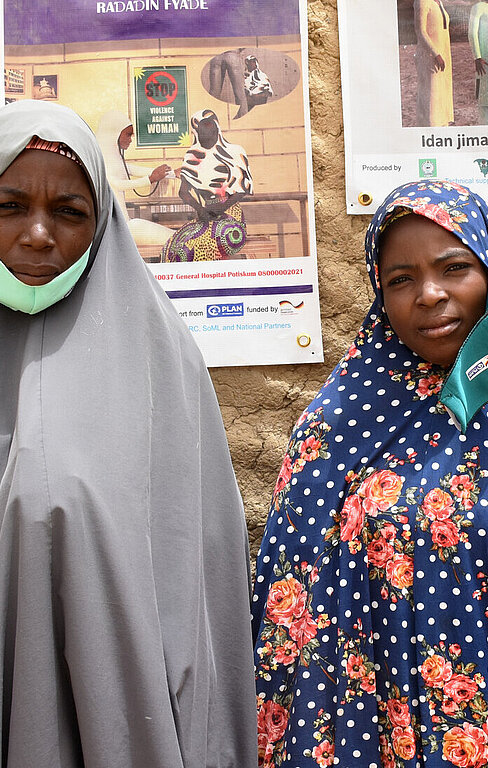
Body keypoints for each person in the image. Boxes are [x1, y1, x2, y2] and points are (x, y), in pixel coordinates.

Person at [252, 180, 488, 767]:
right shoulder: (337, 427)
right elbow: (291, 612)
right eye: (400, 280)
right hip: (373, 739)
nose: (429, 295)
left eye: (454, 268)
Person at [0, 99, 259, 766]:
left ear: (104, 224)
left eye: (69, 212)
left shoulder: (159, 364)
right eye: (8, 206)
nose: (36, 234)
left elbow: (198, 578)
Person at [160, 109, 253, 262]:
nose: (209, 134)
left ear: (217, 128)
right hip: (205, 216)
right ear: (196, 132)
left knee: (195, 245)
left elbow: (242, 189)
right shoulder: (192, 155)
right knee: (174, 247)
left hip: (231, 216)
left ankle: (208, 279)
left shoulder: (235, 152)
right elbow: (183, 192)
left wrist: (220, 208)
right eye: (204, 130)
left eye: (212, 128)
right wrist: (201, 210)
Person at [95, 110, 175, 246]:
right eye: (128, 135)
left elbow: (132, 169)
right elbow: (116, 184)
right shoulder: (101, 157)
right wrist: (151, 179)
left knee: (172, 238)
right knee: (172, 240)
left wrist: (170, 173)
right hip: (117, 229)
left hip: (125, 224)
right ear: (114, 133)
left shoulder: (114, 156)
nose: (130, 139)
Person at [414, 0, 454, 126]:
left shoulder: (439, 2)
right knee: (431, 101)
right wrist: (436, 53)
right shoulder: (422, 2)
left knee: (442, 98)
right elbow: (420, 32)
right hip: (430, 57)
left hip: (443, 55)